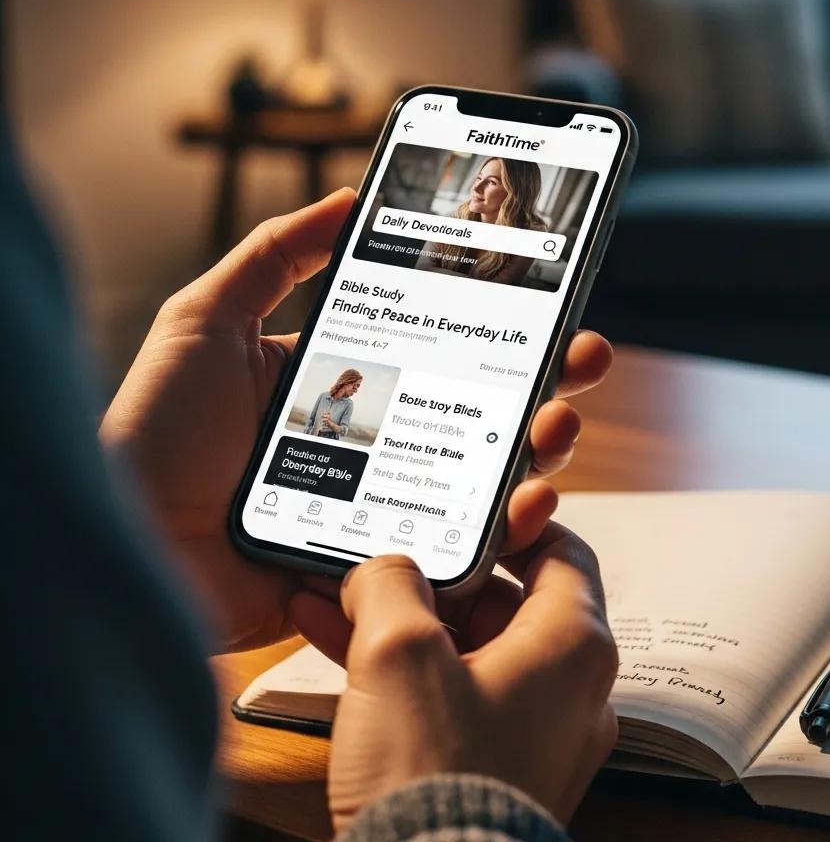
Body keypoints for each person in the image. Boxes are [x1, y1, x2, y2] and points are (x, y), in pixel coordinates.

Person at [3, 122, 618, 842]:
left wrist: (151, 551)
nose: (482, 186)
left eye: (494, 179)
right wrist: (459, 811)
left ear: (518, 191)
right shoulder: (440, 239)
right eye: (476, 174)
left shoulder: (531, 256)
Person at [418, 156, 547, 286]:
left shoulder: (530, 236)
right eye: (479, 178)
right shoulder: (452, 220)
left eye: (491, 182)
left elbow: (496, 289)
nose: (476, 188)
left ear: (515, 193)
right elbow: (421, 270)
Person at [304, 368, 362, 439]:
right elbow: (311, 419)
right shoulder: (323, 396)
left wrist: (330, 424)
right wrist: (306, 434)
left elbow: (344, 431)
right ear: (347, 382)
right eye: (356, 385)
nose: (356, 390)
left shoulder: (349, 404)